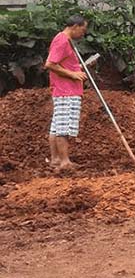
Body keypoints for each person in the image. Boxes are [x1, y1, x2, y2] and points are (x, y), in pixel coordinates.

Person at [44, 14, 89, 172]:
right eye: (82, 30)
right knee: (63, 126)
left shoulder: (66, 41)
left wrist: (77, 70)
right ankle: (64, 162)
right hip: (65, 91)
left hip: (66, 89)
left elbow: (64, 64)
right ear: (75, 26)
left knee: (56, 126)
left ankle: (56, 159)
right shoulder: (62, 40)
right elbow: (50, 64)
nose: (83, 33)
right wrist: (73, 75)